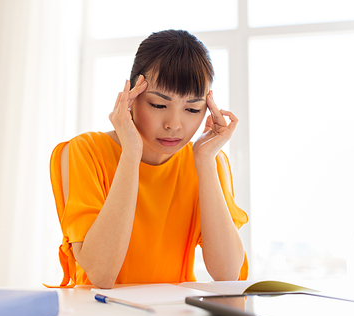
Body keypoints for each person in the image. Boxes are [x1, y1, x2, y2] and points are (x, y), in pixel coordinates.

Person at [49, 30, 248, 289]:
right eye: (158, 105)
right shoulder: (85, 152)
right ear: (131, 97)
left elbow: (227, 274)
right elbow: (101, 274)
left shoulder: (208, 160)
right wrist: (132, 153)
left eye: (192, 109)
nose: (174, 125)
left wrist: (205, 161)